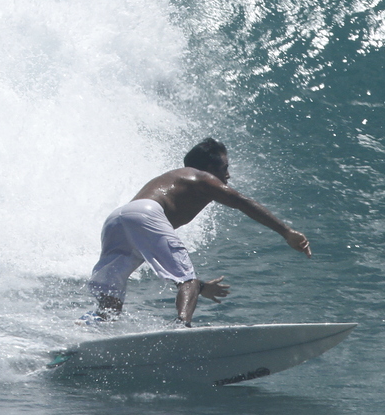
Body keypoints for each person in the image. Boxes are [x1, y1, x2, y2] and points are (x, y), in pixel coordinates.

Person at [86, 138, 311, 325]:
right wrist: (286, 232)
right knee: (188, 280)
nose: (228, 176)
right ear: (211, 169)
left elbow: (167, 263)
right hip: (146, 212)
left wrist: (201, 287)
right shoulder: (202, 177)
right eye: (225, 169)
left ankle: (97, 326)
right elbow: (241, 201)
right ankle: (181, 327)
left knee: (113, 289)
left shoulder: (177, 178)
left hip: (118, 218)